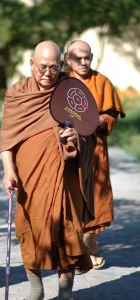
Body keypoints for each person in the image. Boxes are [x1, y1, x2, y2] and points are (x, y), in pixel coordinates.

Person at [0, 40, 97, 300]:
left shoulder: (70, 91)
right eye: (42, 66)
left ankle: (65, 294)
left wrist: (76, 137)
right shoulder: (17, 94)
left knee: (68, 232)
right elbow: (7, 139)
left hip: (65, 181)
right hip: (29, 180)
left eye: (53, 67)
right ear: (32, 64)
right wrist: (8, 171)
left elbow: (90, 132)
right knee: (28, 229)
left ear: (61, 66)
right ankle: (35, 288)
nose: (47, 73)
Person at [64, 40, 125, 270]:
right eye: (77, 58)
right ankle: (75, 248)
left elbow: (111, 116)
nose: (83, 62)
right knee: (70, 198)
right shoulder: (61, 82)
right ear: (68, 60)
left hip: (96, 150)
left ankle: (91, 243)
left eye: (87, 57)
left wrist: (96, 120)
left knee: (97, 198)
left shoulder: (101, 81)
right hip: (68, 151)